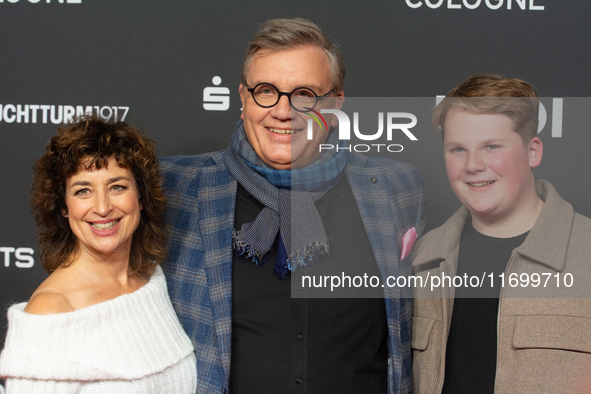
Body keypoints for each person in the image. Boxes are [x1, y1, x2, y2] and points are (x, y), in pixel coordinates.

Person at [160, 18, 425, 394]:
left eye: (304, 94)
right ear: (243, 99)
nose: (283, 112)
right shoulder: (175, 187)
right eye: (265, 91)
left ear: (335, 103)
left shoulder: (396, 189)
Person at [411, 74, 591, 393]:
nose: (473, 165)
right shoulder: (424, 258)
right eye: (457, 149)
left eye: (491, 147)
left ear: (533, 152)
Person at [0, 116, 197, 393]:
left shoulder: (153, 280)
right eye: (83, 191)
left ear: (140, 197)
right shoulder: (51, 312)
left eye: (117, 187)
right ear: (64, 206)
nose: (102, 208)